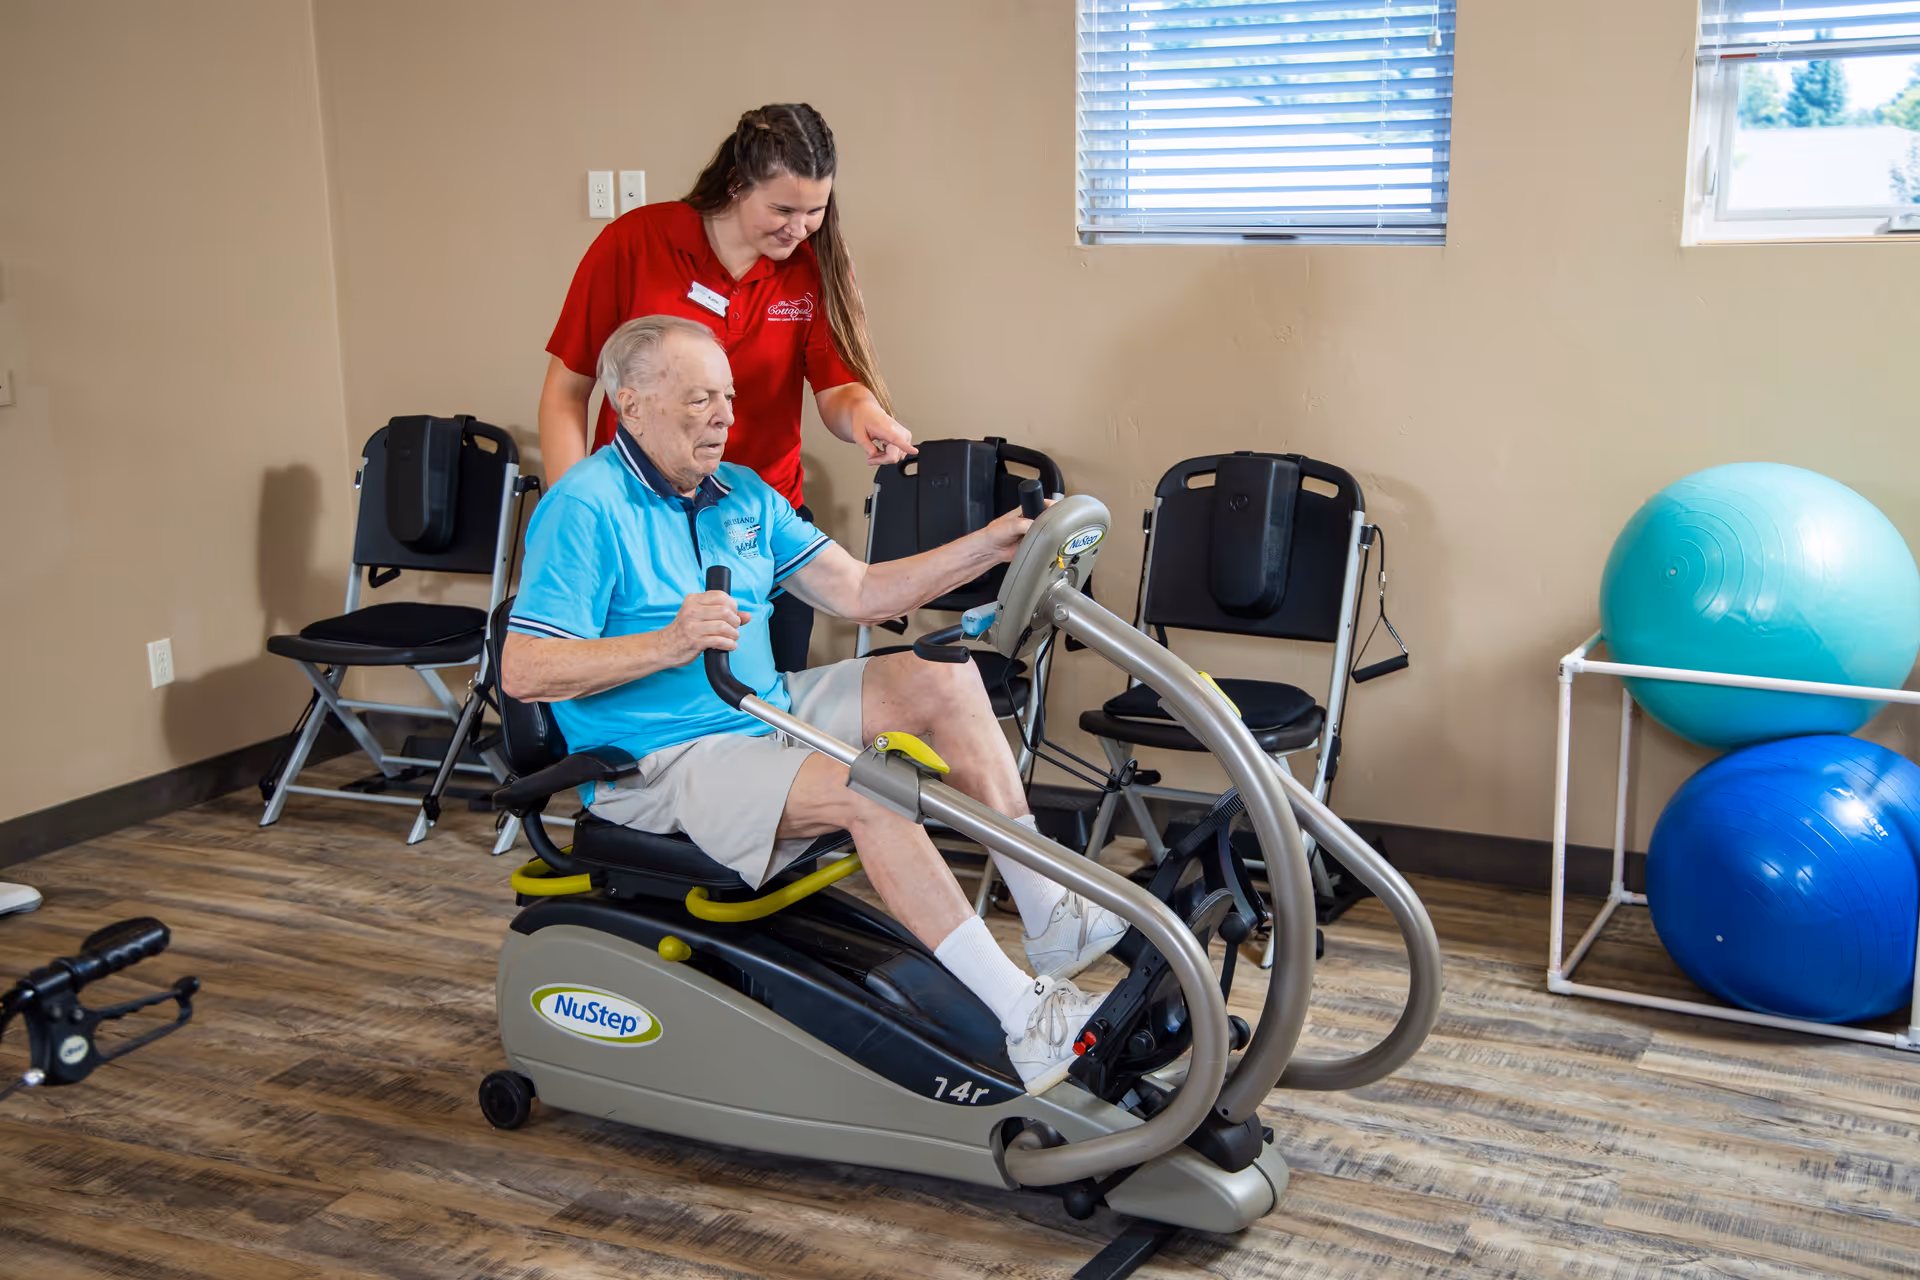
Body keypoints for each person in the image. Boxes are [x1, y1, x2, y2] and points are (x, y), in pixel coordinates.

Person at [502, 317, 1125, 1094]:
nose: (727, 417)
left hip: (761, 708)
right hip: (665, 758)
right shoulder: (585, 508)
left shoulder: (742, 494)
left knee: (946, 676)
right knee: (873, 787)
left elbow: (859, 592)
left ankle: (1049, 915)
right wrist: (668, 643)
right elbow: (524, 670)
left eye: (728, 397)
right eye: (700, 400)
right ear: (631, 404)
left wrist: (993, 544)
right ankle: (1024, 1020)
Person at [539, 103, 912, 673]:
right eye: (783, 208)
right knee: (645, 705)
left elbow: (837, 387)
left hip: (757, 522)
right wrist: (575, 514)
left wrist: (864, 414)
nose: (799, 227)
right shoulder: (634, 244)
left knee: (765, 697)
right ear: (737, 184)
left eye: (815, 210)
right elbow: (567, 393)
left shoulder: (814, 267)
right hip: (640, 519)